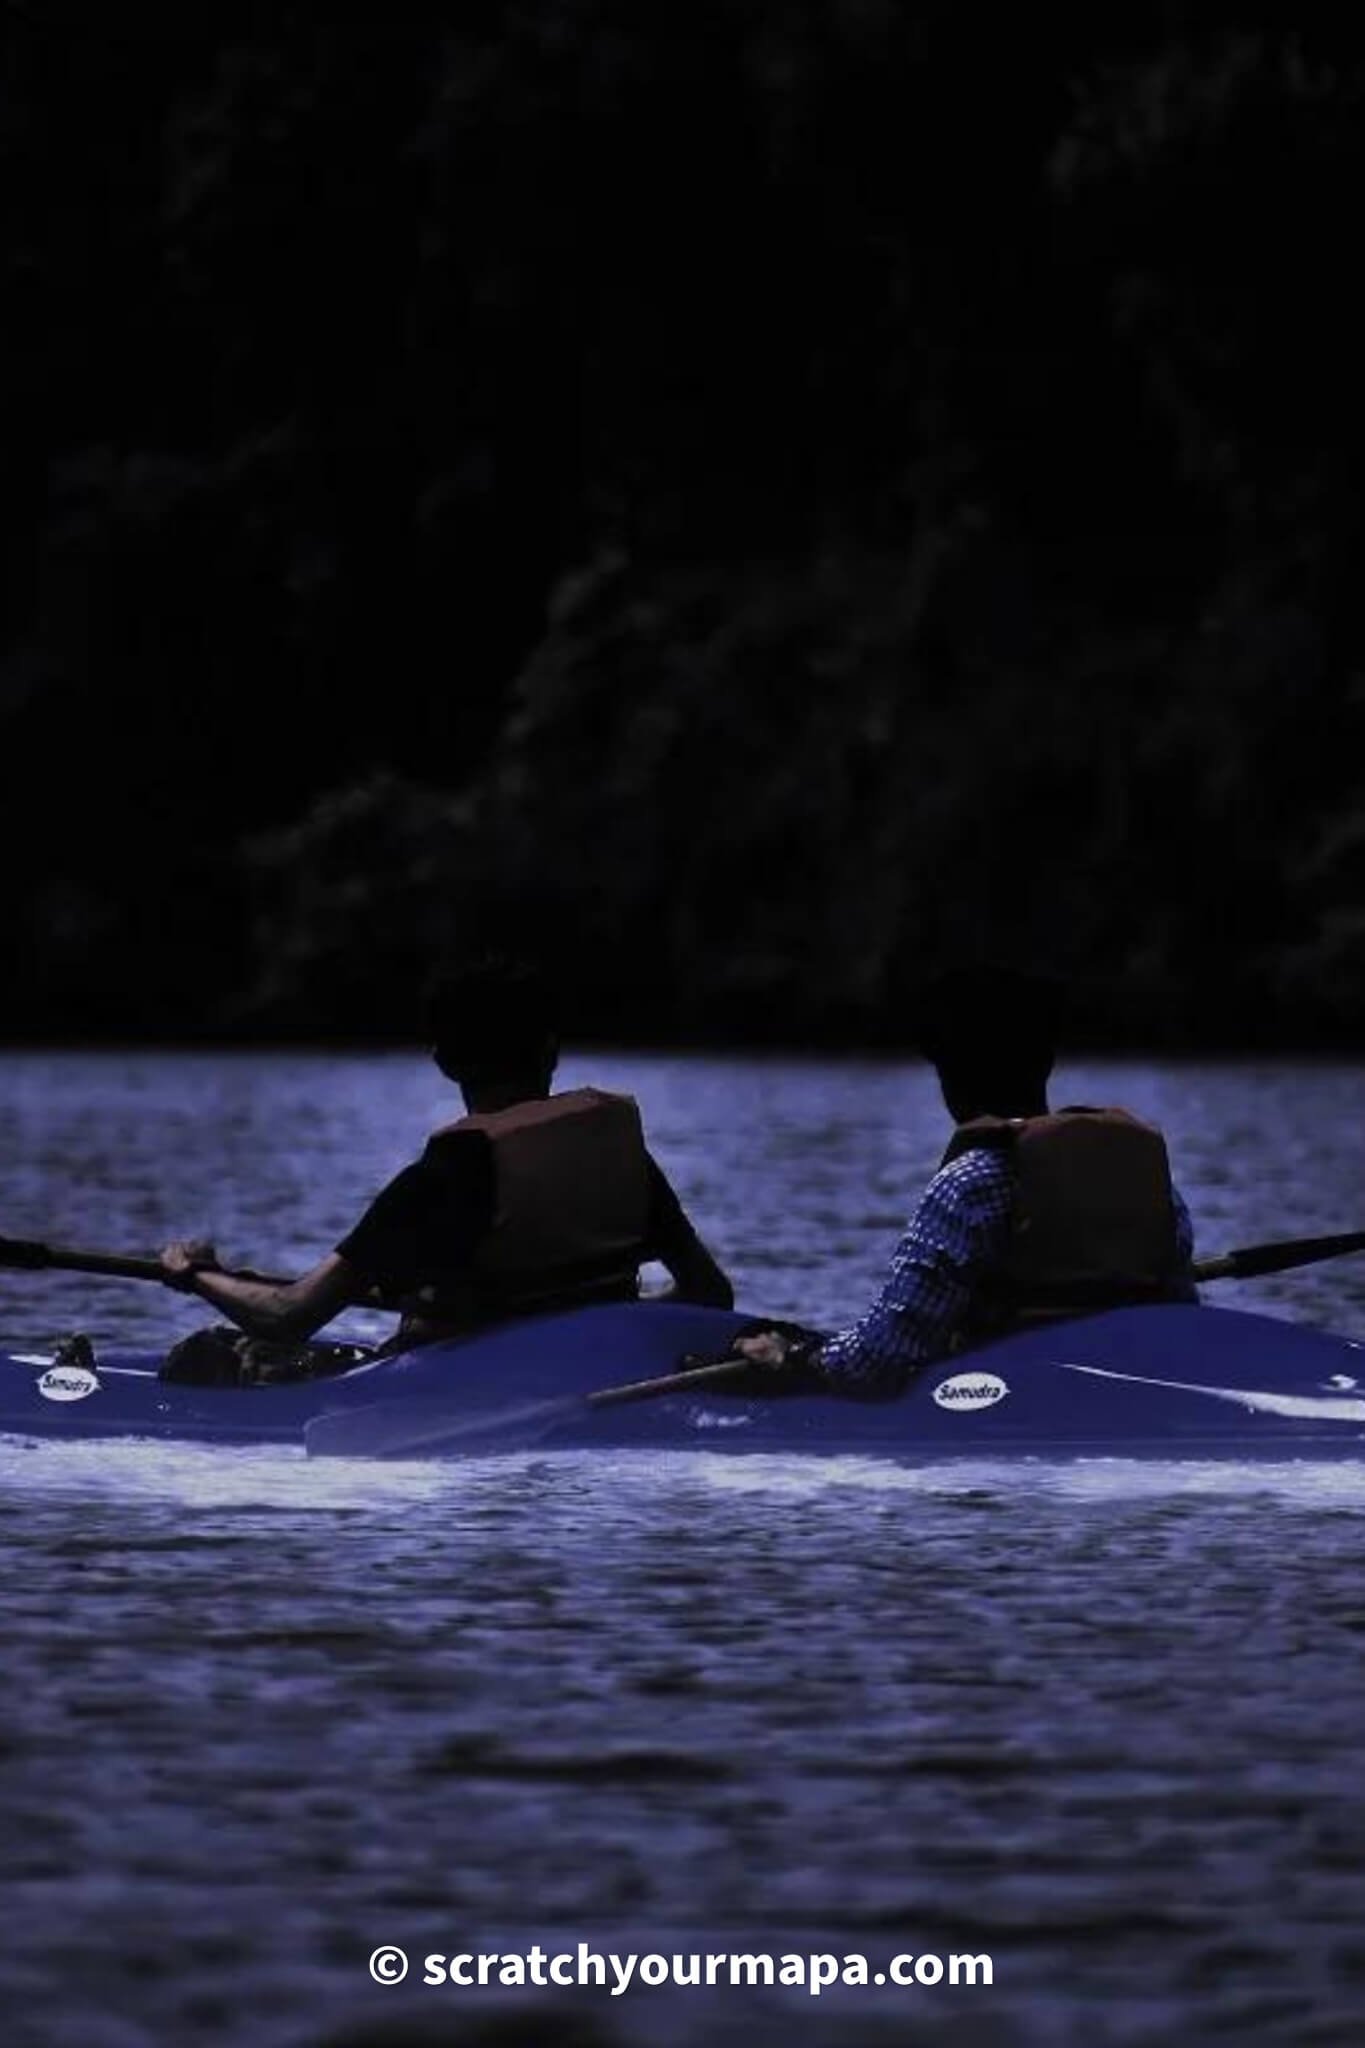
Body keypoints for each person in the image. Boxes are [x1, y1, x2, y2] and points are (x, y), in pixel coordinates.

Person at [159, 956, 732, 1380]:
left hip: (459, 1380)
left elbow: (288, 1316)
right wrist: (608, 1321)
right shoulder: (616, 1152)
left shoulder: (448, 1173)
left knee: (203, 1356)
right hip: (601, 1366)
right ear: (551, 1052)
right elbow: (709, 1293)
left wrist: (197, 1273)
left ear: (445, 1063)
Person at [735, 967, 1196, 1396]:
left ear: (952, 1080)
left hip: (1018, 1393)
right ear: (1047, 1065)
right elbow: (1181, 1308)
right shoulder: (1145, 1180)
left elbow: (882, 1356)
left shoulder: (970, 1182)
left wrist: (792, 1356)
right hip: (1135, 1383)